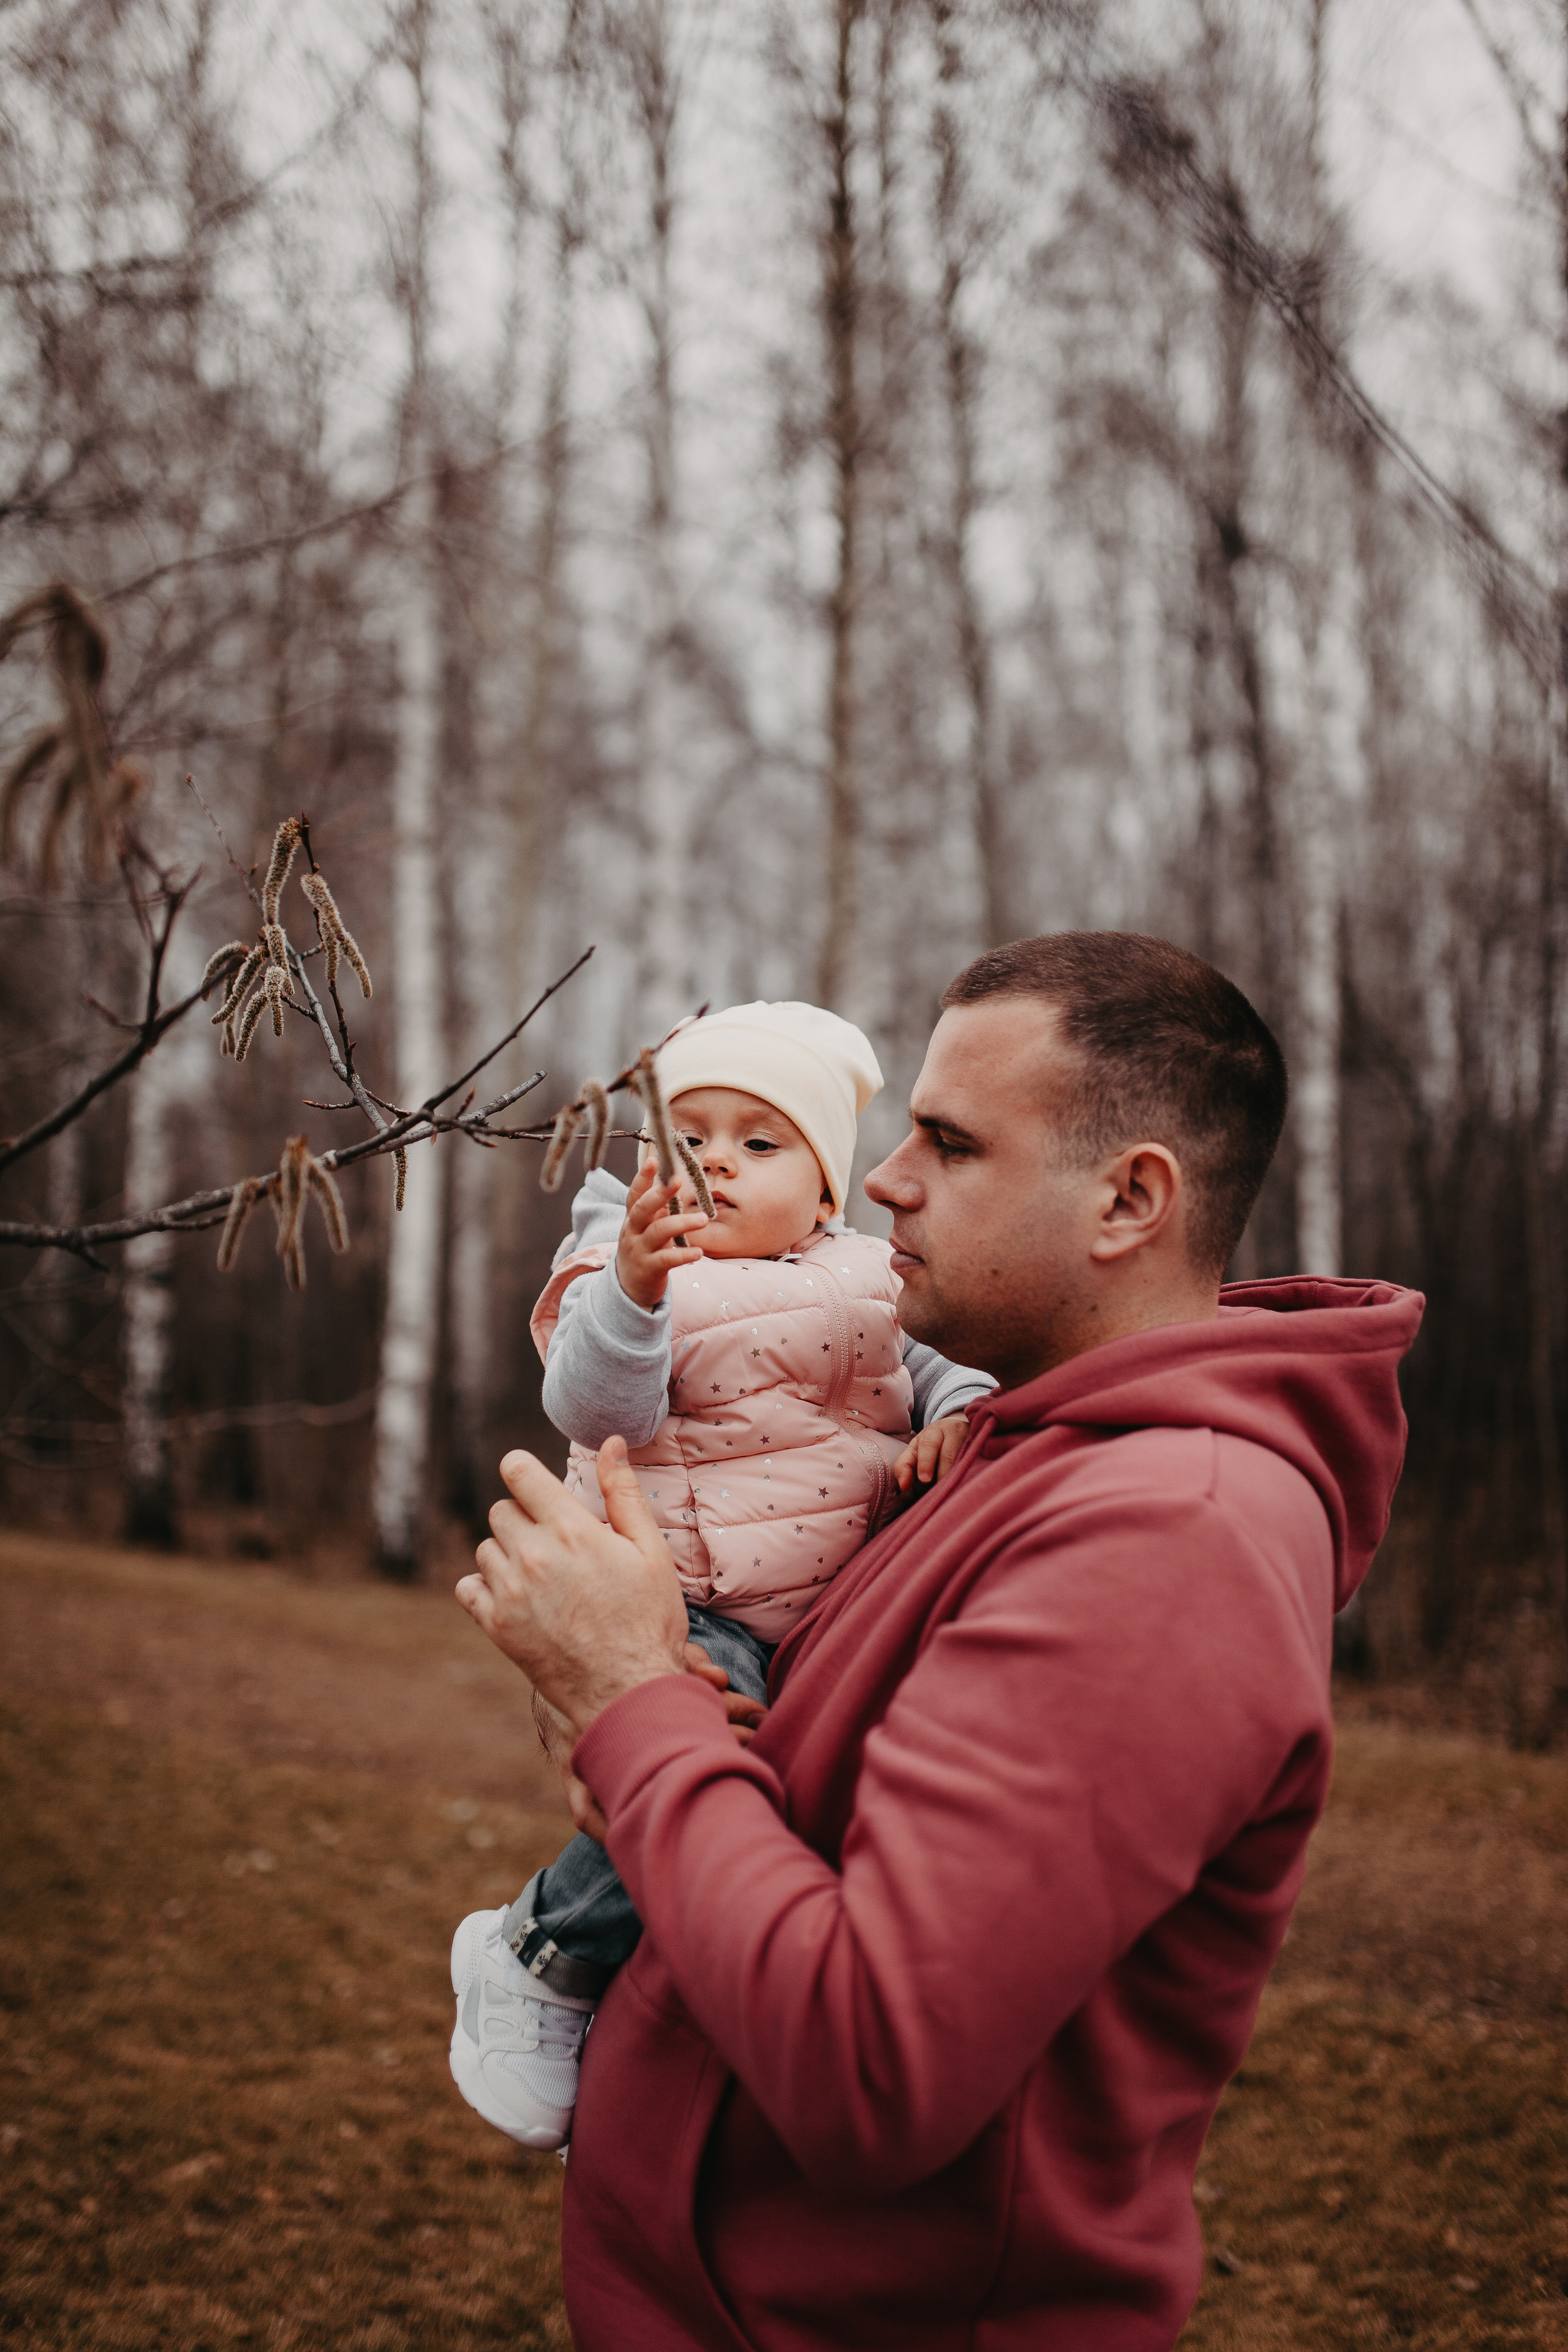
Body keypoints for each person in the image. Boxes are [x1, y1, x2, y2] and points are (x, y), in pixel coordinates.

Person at [456, 933, 1423, 2352]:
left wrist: (625, 1702)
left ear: (1127, 1200)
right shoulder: (988, 1444)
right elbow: (799, 1806)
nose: (885, 1180)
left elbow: (871, 2066)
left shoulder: (1169, 1537)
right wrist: (637, 1726)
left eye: (950, 1143)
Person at [448, 1001, 993, 2152]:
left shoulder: (873, 1276)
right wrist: (635, 1290)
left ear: (826, 1190)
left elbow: (947, 1365)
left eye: (759, 1142)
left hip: (824, 1604)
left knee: (787, 1805)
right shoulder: (618, 1264)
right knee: (701, 1757)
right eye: (686, 1137)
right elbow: (595, 1409)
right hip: (684, 1594)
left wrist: (960, 1414)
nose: (715, 1165)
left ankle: (649, 2012)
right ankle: (536, 1953)